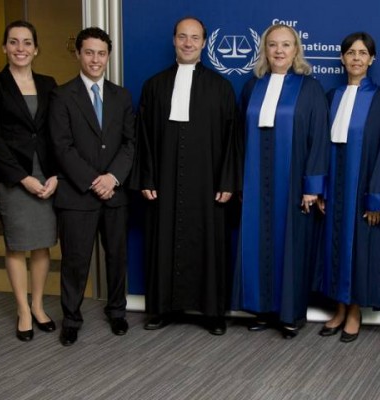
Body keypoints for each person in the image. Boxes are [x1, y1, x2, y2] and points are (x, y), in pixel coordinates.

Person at [132, 16, 239, 335]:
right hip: (163, 182)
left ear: (204, 43)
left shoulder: (221, 87)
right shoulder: (154, 86)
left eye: (194, 38)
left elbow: (233, 139)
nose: (188, 43)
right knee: (162, 240)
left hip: (208, 185)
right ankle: (162, 308)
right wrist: (147, 177)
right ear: (174, 40)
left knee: (209, 244)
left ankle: (213, 312)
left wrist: (227, 181)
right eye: (182, 37)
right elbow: (144, 138)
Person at [231, 23, 330, 339]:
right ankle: (261, 309)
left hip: (292, 184)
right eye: (273, 45)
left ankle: (289, 314)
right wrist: (241, 184)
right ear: (265, 49)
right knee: (257, 243)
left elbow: (319, 140)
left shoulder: (309, 88)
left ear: (296, 50)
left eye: (286, 45)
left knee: (290, 246)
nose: (279, 51)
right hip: (256, 183)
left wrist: (312, 186)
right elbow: (238, 139)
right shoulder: (252, 87)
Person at [49, 27, 136, 346]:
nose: (95, 59)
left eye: (101, 53)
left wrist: (112, 177)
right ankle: (71, 318)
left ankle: (117, 312)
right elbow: (61, 146)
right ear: (78, 54)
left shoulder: (122, 96)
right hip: (77, 195)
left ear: (108, 56)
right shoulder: (61, 95)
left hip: (115, 193)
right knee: (74, 260)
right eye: (89, 52)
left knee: (117, 257)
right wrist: (91, 181)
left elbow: (130, 143)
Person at [317, 32, 380, 343]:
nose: (356, 58)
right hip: (337, 191)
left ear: (372, 59)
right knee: (334, 248)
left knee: (358, 249)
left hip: (363, 191)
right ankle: (339, 309)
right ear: (342, 59)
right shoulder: (332, 98)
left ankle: (354, 312)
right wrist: (323, 190)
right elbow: (322, 149)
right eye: (350, 53)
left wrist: (377, 200)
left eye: (362, 53)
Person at [0, 20, 58, 342]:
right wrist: (22, 176)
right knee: (17, 245)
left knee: (42, 245)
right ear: (4, 47)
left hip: (47, 174)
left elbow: (56, 132)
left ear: (36, 49)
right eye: (14, 42)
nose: (20, 48)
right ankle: (23, 310)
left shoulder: (49, 83)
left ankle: (38, 306)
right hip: (14, 176)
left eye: (27, 43)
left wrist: (56, 174)